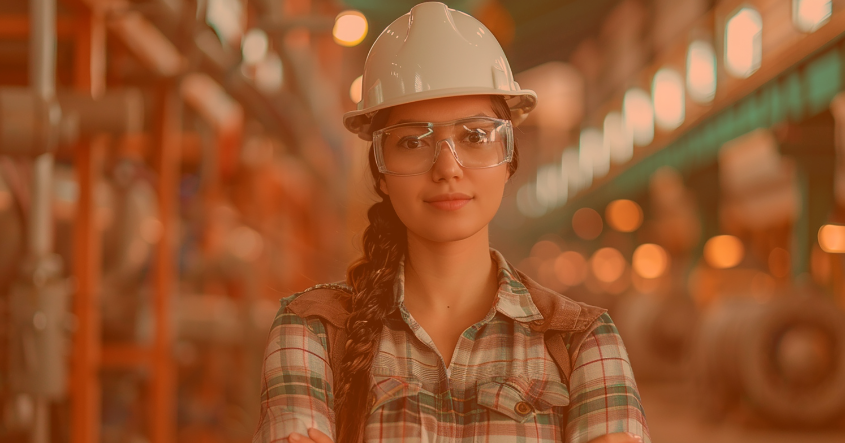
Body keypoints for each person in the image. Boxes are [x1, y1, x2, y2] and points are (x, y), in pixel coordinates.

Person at [253, 3, 650, 443]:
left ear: (509, 159)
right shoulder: (313, 332)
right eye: (411, 141)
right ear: (381, 172)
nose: (447, 168)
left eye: (475, 137)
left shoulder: (582, 341)